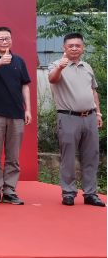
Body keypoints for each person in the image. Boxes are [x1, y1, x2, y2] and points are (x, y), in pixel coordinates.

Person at [47, 33, 104, 207]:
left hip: (90, 117)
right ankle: (68, 193)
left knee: (91, 156)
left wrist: (98, 113)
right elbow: (52, 79)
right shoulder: (56, 64)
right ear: (64, 48)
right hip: (68, 117)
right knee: (68, 157)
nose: (74, 48)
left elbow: (93, 91)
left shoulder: (87, 67)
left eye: (77, 45)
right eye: (70, 45)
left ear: (83, 48)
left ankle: (90, 193)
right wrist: (60, 67)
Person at [0, 27, 32, 205]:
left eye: (7, 38)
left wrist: (28, 109)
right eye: (0, 39)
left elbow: (25, 85)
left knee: (13, 156)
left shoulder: (19, 60)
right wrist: (1, 61)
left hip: (17, 113)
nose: (4, 41)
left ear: (11, 40)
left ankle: (10, 191)